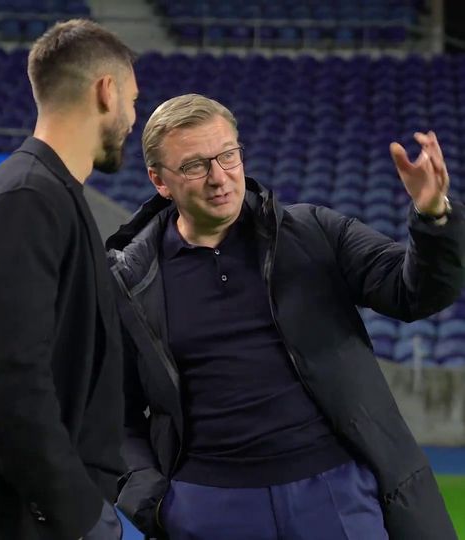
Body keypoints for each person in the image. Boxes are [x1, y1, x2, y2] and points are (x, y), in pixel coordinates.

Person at [106, 94, 463, 540]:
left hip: (335, 492)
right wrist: (155, 502)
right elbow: (111, 414)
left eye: (228, 156)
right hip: (208, 505)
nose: (220, 178)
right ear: (160, 180)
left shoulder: (314, 232)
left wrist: (433, 217)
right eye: (195, 166)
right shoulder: (128, 280)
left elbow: (415, 293)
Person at [0, 19, 138, 540]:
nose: (134, 117)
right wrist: (79, 511)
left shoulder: (45, 193)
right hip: (19, 517)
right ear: (106, 92)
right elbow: (11, 377)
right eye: (134, 99)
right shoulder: (28, 198)